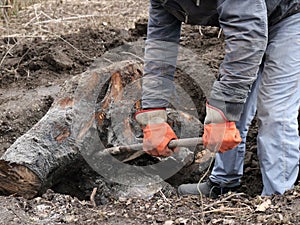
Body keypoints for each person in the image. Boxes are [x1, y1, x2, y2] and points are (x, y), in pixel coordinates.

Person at [135, 0, 300, 197]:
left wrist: (222, 113)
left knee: (275, 111)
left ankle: (277, 197)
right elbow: (160, 47)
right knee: (231, 106)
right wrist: (153, 115)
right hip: (247, 24)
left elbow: (247, 37)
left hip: (288, 18)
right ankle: (224, 182)